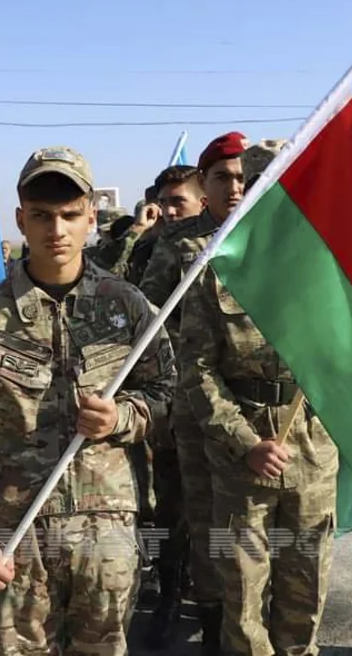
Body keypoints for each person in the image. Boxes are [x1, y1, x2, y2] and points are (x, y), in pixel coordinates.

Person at [0, 146, 176, 655]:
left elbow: (166, 395)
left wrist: (121, 417)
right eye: (42, 216)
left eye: (71, 215)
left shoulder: (127, 305)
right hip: (18, 530)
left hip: (106, 528)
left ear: (91, 217)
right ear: (20, 220)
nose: (57, 230)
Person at [183, 141, 338, 655]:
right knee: (243, 596)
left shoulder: (331, 271)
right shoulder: (218, 266)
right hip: (241, 452)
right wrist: (245, 442)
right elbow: (197, 371)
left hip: (312, 446)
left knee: (306, 590)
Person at [137, 131, 248, 653]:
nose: (235, 187)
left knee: (247, 523)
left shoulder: (272, 235)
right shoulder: (181, 244)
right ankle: (187, 608)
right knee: (188, 514)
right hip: (192, 406)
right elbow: (145, 317)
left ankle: (243, 617)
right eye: (223, 177)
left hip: (256, 409)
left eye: (243, 177)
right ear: (206, 185)